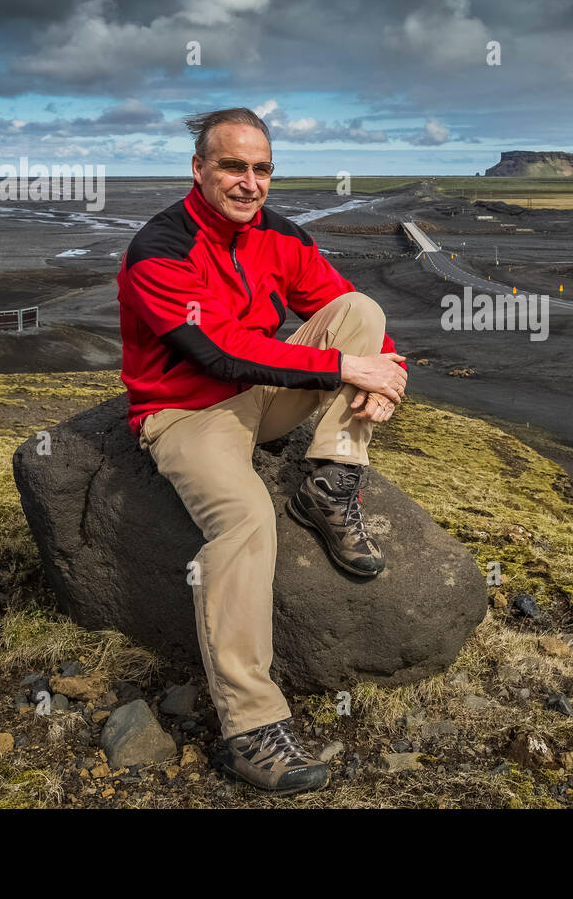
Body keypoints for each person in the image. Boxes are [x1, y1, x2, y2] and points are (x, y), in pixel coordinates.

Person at [116, 107, 407, 795]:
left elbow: (343, 312)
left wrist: (387, 371)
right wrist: (346, 369)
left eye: (262, 169)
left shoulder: (281, 236)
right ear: (199, 169)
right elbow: (213, 353)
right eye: (233, 167)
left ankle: (329, 485)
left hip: (263, 397)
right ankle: (250, 728)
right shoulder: (158, 249)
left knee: (363, 312)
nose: (250, 183)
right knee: (245, 520)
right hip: (187, 412)